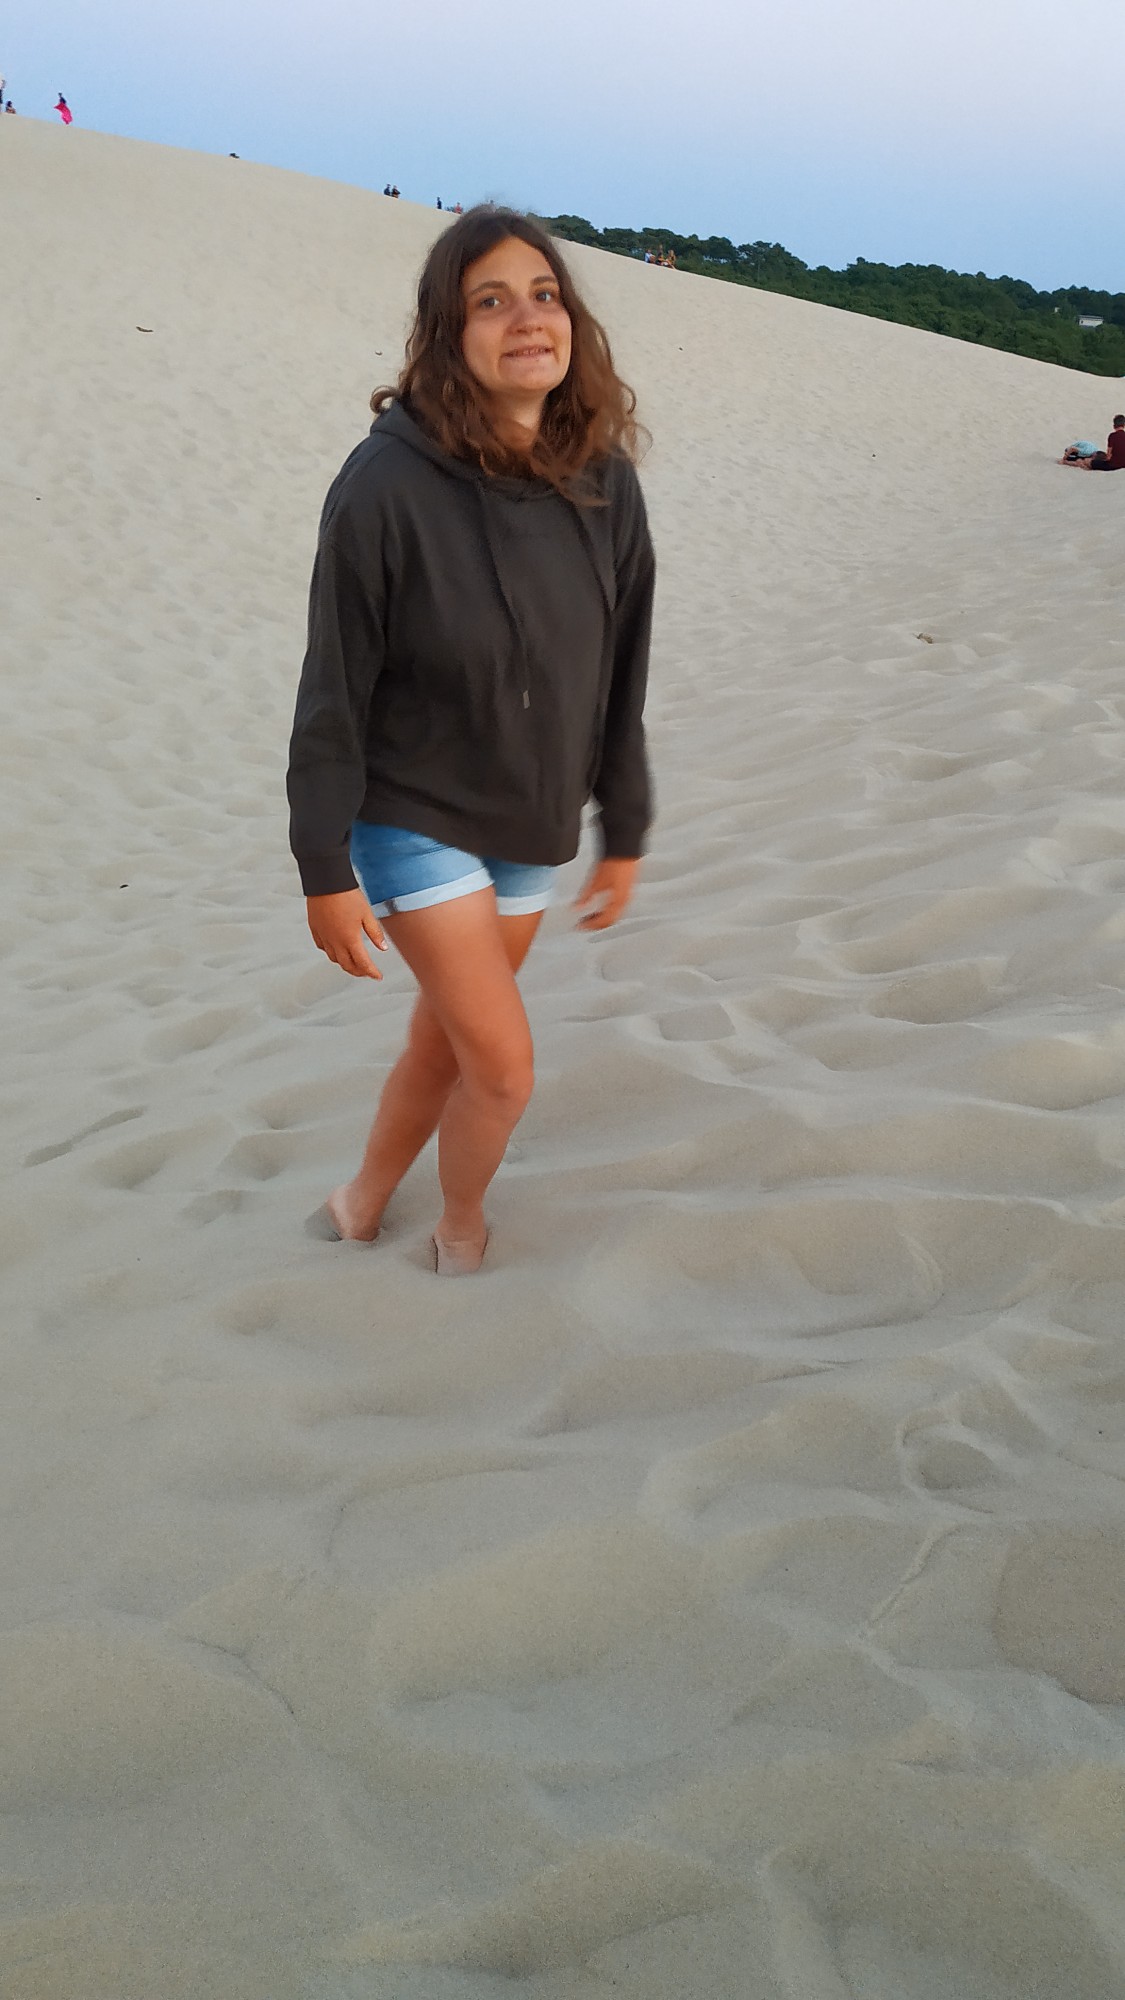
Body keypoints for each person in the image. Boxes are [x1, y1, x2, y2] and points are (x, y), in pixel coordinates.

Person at [287, 205, 654, 1274]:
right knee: (502, 1068)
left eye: (544, 295)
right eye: (490, 301)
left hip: (529, 821)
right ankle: (459, 1225)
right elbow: (332, 687)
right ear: (449, 336)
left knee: (443, 1039)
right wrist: (323, 865)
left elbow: (620, 669)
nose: (527, 318)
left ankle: (360, 1198)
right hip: (412, 813)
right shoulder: (384, 487)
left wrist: (623, 824)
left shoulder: (606, 482)